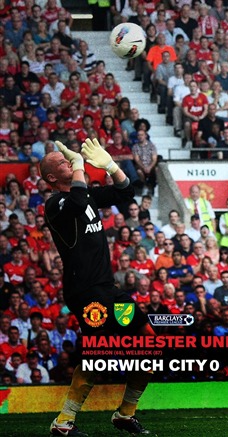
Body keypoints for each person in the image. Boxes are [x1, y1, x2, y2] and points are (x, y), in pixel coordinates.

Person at [41, 139, 154, 436]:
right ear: (52, 177)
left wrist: (111, 166)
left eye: (70, 161)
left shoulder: (86, 193)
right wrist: (79, 165)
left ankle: (125, 413)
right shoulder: (55, 204)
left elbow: (126, 193)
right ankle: (64, 422)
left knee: (148, 339)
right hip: (85, 290)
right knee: (98, 353)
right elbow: (76, 201)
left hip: (108, 288)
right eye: (63, 162)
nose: (70, 161)